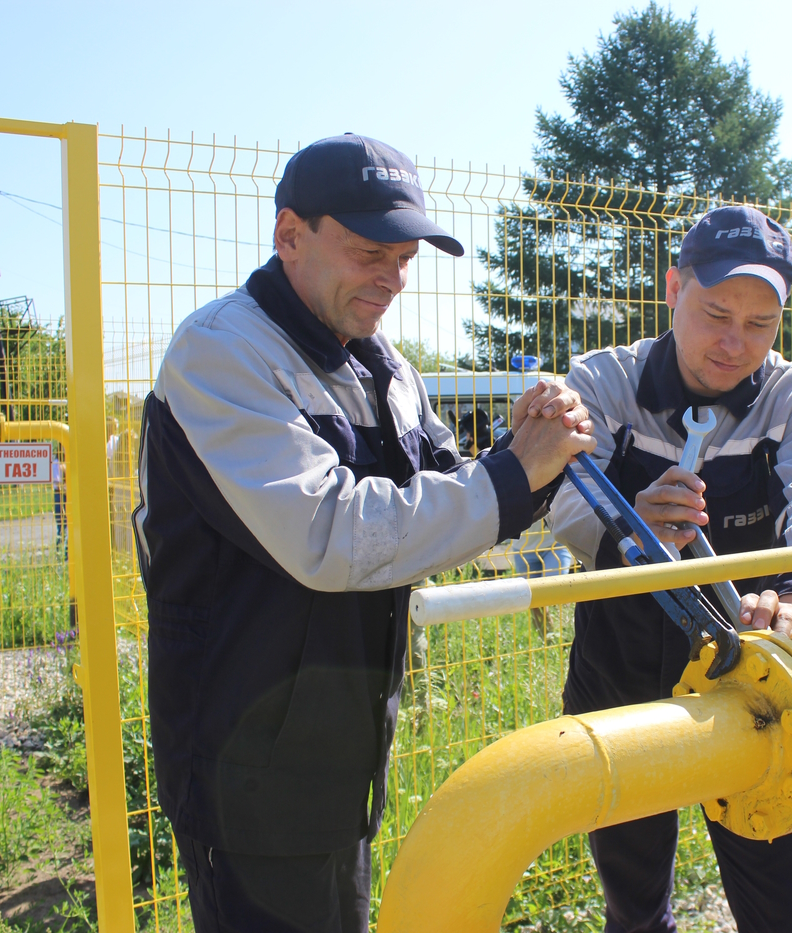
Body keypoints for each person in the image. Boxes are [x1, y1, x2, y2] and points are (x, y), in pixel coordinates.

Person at [131, 133, 595, 933]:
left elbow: (451, 495)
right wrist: (514, 474)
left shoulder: (381, 364)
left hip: (338, 755)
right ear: (289, 237)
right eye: (370, 251)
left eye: (406, 257)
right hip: (243, 768)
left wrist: (528, 457)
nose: (393, 278)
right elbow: (331, 533)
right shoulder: (222, 353)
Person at [548, 204, 792, 933]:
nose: (733, 343)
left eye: (759, 324)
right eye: (716, 311)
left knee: (785, 909)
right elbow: (562, 497)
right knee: (632, 906)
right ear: (671, 288)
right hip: (619, 677)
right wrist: (631, 526)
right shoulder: (604, 381)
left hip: (755, 681)